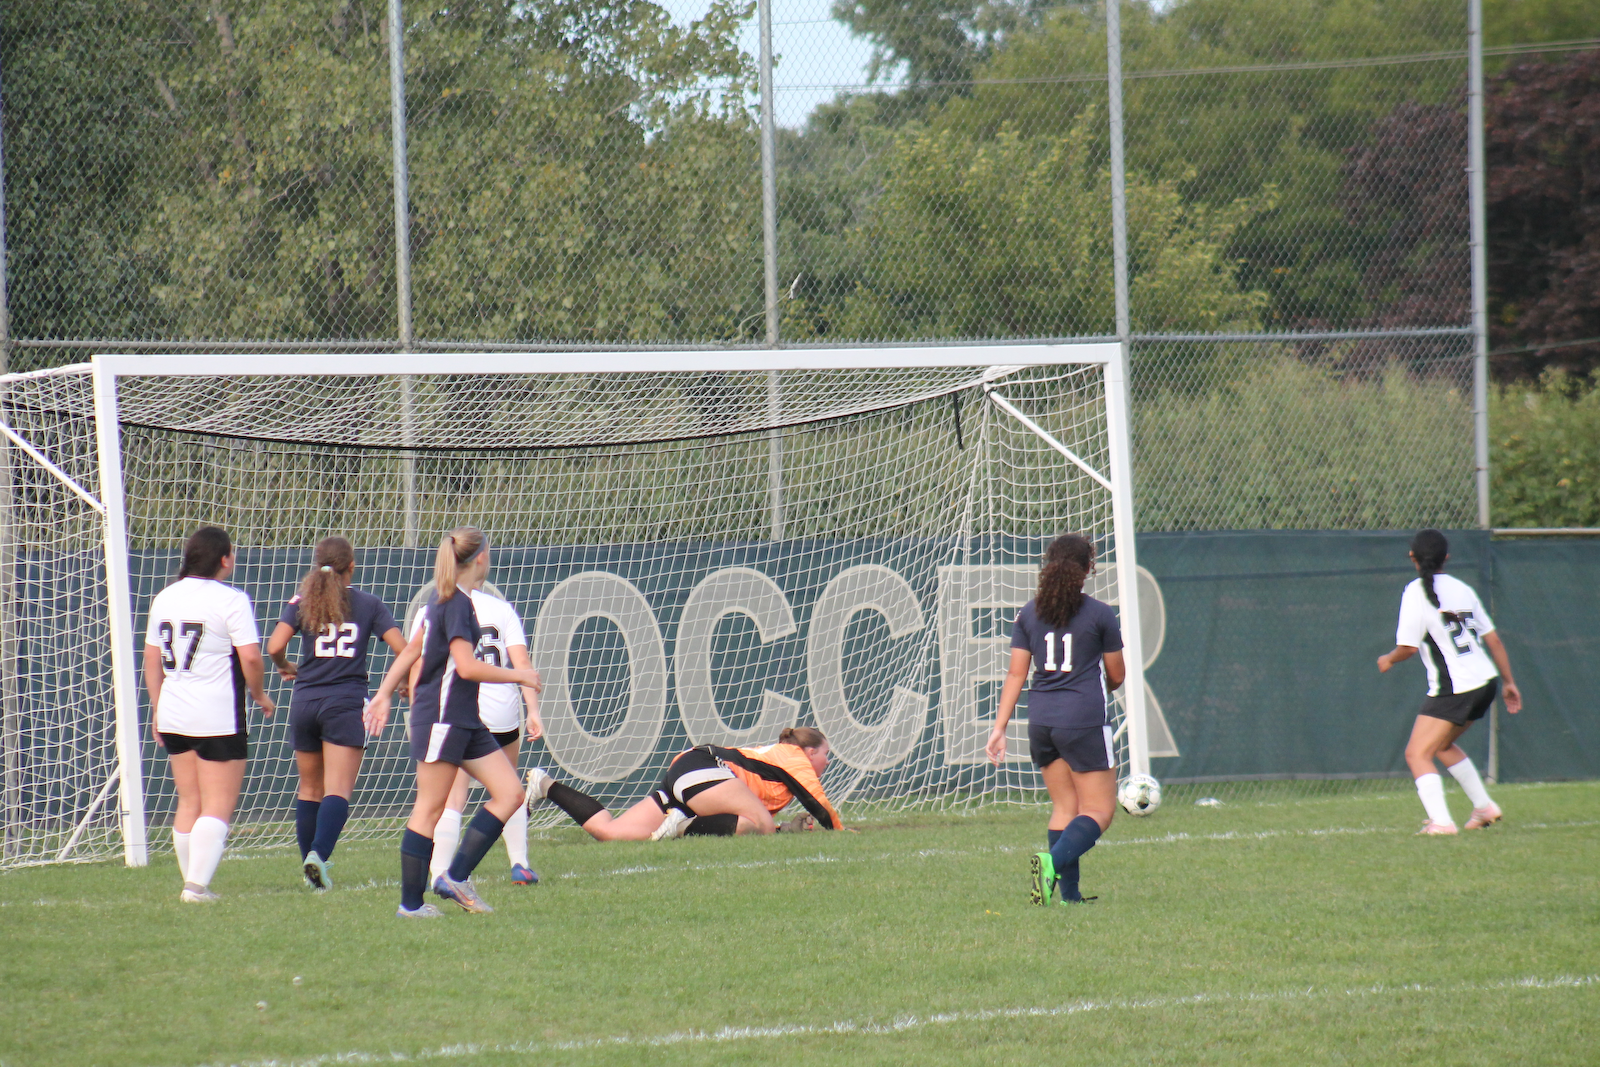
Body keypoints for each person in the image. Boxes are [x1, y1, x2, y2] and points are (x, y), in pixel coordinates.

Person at [365, 527, 541, 918]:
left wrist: (383, 694)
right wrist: (520, 676)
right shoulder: (455, 604)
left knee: (511, 793)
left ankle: (456, 877)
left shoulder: (444, 600)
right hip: (441, 719)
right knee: (429, 808)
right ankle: (411, 905)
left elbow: (411, 651)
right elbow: (466, 667)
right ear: (480, 558)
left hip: (465, 719)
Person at [986, 534, 1125, 907]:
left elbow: (1016, 674)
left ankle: (1069, 897)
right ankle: (1051, 863)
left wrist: (999, 728)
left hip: (1042, 721)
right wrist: (1100, 686)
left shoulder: (1029, 613)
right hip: (1082, 720)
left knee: (1065, 807)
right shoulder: (1100, 614)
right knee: (1098, 810)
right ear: (1087, 569)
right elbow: (1116, 674)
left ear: (1049, 566)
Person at [141, 526, 275, 903]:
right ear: (224, 559)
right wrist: (259, 694)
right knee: (217, 804)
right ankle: (195, 887)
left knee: (189, 800)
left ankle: (193, 883)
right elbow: (251, 657)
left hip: (174, 711)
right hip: (217, 714)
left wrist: (157, 708)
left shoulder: (165, 597)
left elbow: (151, 659)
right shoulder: (231, 599)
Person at [266, 536, 406, 890]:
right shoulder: (368, 603)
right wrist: (402, 683)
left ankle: (310, 870)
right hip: (344, 703)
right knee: (338, 790)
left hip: (305, 701)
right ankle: (318, 856)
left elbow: (274, 645)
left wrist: (284, 665)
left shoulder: (303, 601)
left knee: (309, 788)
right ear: (351, 567)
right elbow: (403, 648)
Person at [1378, 529, 1521, 835]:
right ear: (1447, 557)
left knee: (1417, 754)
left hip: (1457, 687)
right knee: (1442, 746)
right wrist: (1509, 682)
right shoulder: (1462, 588)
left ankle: (1441, 823)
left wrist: (1388, 659)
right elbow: (1493, 640)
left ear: (1412, 557)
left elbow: (1407, 648)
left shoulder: (1416, 591)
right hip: (1485, 682)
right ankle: (1484, 807)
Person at [528, 726, 844, 841]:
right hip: (703, 769)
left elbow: (738, 815)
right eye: (825, 754)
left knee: (608, 833)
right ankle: (680, 826)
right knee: (758, 825)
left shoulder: (780, 761)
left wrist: (783, 828)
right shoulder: (794, 755)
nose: (827, 762)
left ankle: (545, 785)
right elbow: (817, 801)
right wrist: (839, 831)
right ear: (809, 752)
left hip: (689, 774)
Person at [425, 586, 544, 888]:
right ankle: (519, 864)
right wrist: (533, 710)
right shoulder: (500, 608)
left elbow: (422, 658)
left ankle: (440, 872)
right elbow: (522, 664)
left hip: (463, 705)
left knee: (454, 796)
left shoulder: (439, 605)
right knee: (510, 785)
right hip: (501, 706)